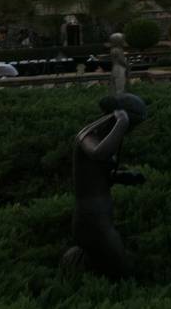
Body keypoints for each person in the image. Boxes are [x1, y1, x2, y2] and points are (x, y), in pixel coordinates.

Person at [63, 93, 148, 279]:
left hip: (101, 216)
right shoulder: (87, 136)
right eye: (131, 127)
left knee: (105, 265)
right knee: (121, 267)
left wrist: (124, 177)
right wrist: (121, 123)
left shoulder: (104, 135)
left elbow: (99, 174)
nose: (128, 132)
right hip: (91, 220)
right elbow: (99, 153)